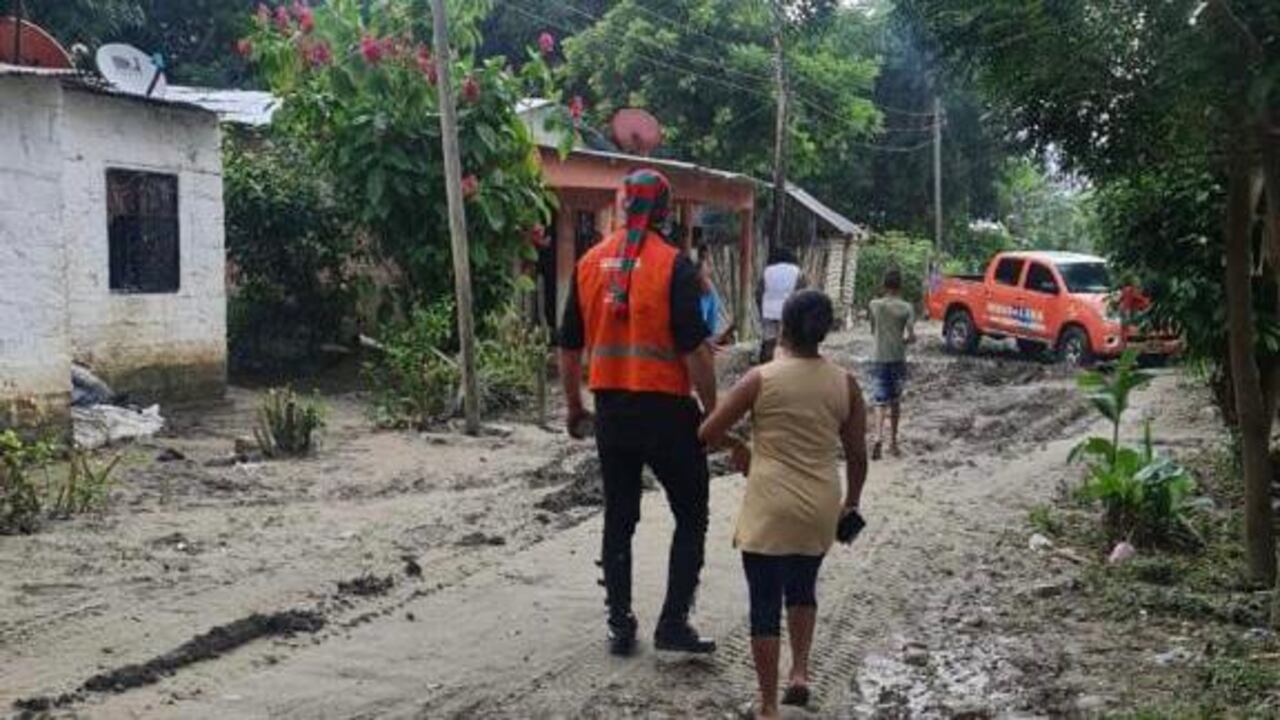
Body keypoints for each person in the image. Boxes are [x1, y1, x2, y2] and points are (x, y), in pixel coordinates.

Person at [559, 169, 720, 657]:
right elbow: (695, 352)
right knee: (692, 513)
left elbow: (568, 348)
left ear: (623, 204)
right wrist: (715, 415)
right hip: (668, 413)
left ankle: (619, 624)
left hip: (612, 412)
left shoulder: (588, 263)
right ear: (665, 212)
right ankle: (673, 623)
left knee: (619, 515)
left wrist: (573, 406)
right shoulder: (676, 267)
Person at [699, 289, 868, 720]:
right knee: (803, 587)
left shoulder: (761, 378)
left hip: (769, 507)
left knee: (764, 604)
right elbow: (857, 455)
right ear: (823, 332)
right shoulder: (844, 382)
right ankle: (800, 674)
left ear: (783, 329)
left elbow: (707, 433)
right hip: (819, 507)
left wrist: (738, 445)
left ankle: (770, 706)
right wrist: (851, 503)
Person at [868, 268, 916, 460]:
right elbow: (910, 336)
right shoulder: (907, 308)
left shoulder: (875, 304)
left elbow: (873, 329)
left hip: (879, 357)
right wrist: (905, 341)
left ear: (884, 285)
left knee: (880, 400)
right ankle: (893, 443)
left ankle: (878, 437)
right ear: (900, 286)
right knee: (895, 402)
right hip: (898, 358)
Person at [757, 247, 805, 363]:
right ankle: (785, 367)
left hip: (768, 310)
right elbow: (802, 293)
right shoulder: (797, 271)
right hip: (789, 311)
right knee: (788, 340)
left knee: (769, 340)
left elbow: (759, 292)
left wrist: (761, 309)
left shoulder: (767, 271)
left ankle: (766, 367)